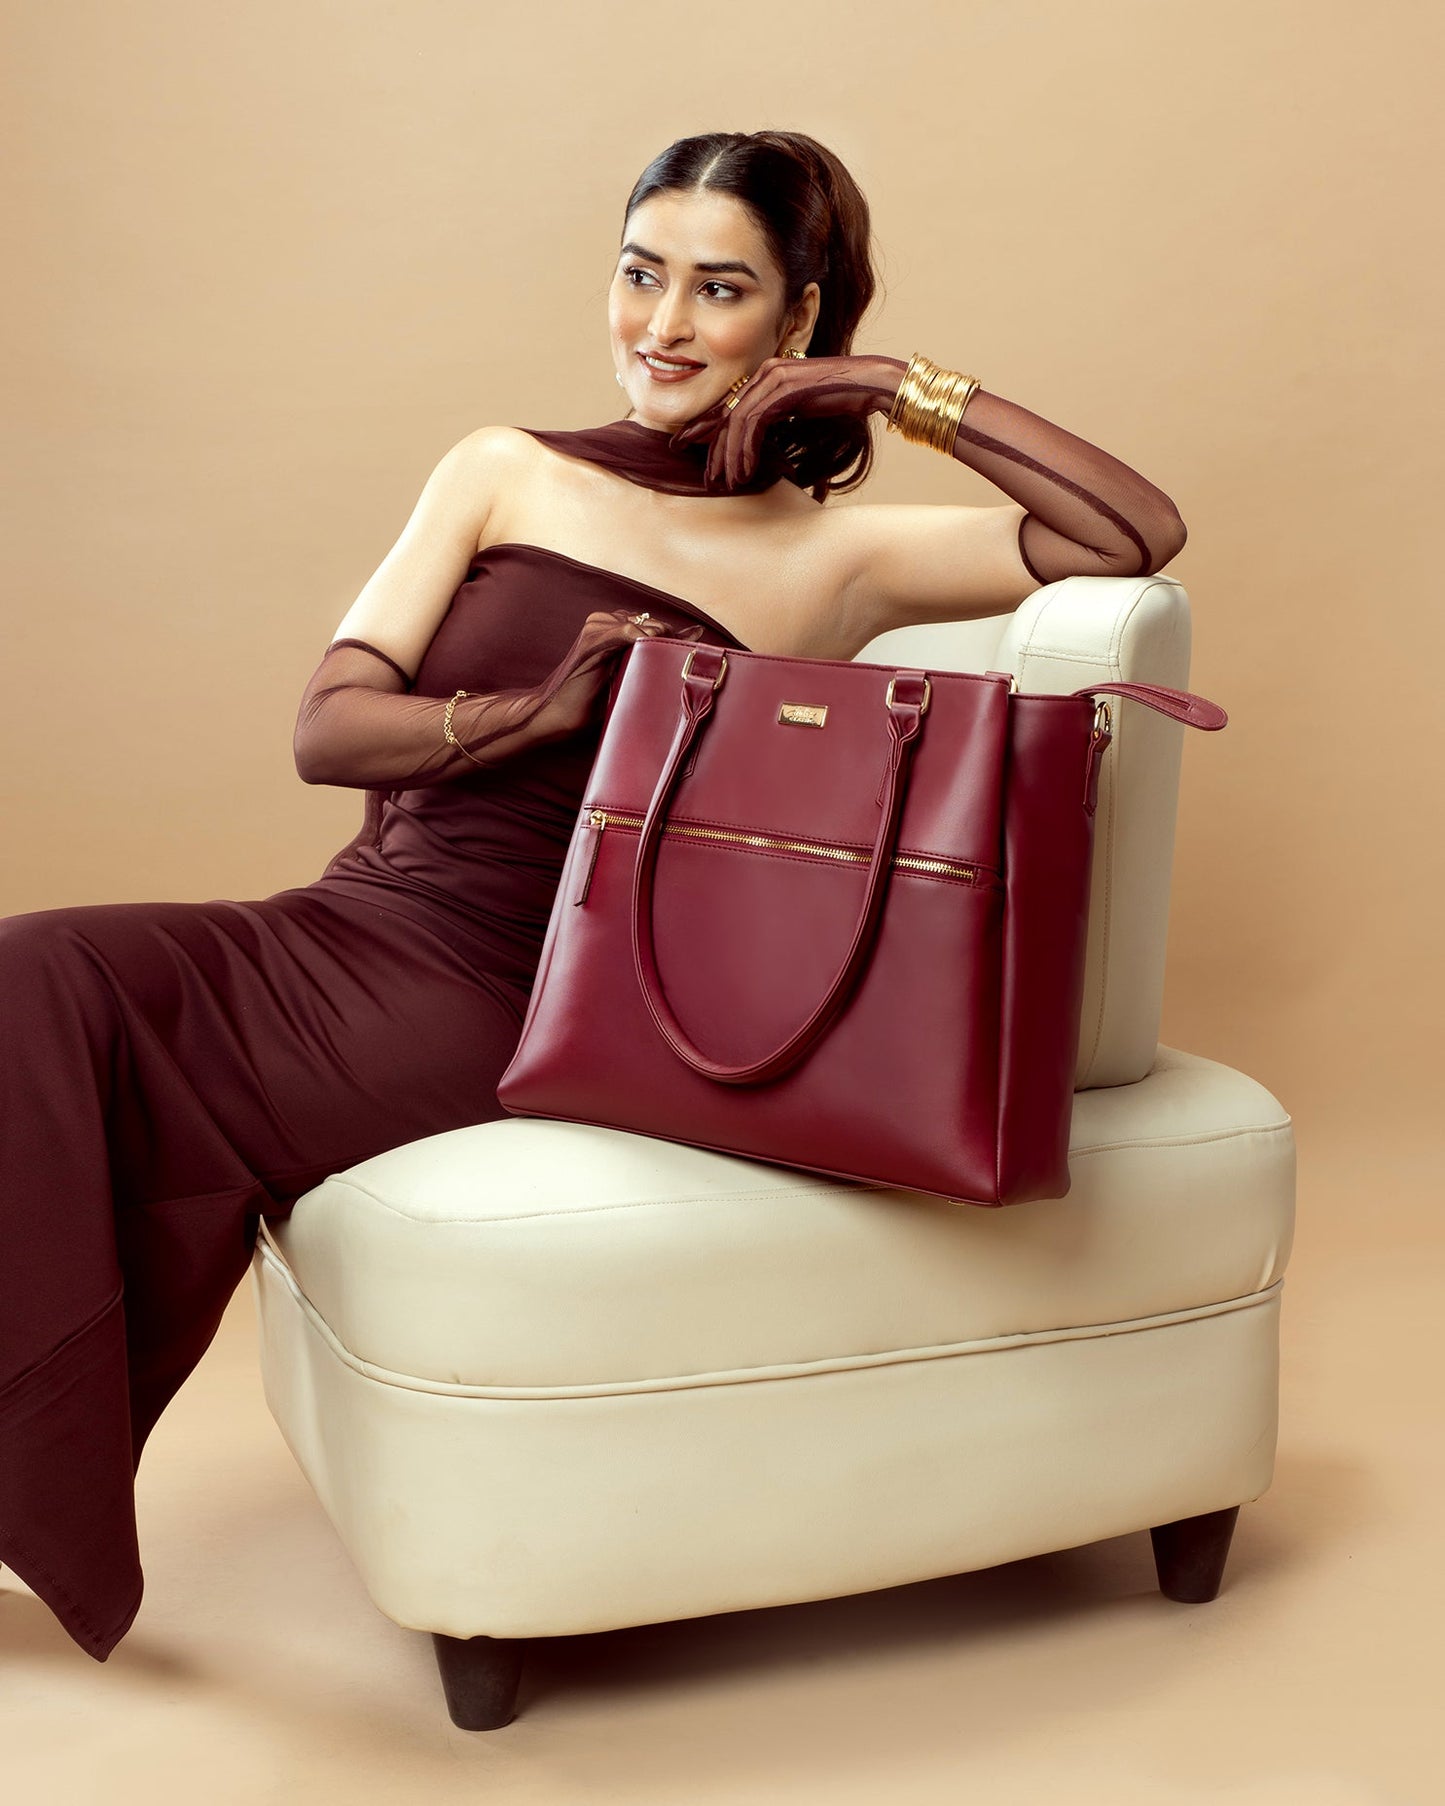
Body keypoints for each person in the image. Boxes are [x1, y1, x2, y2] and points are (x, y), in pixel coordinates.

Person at [0, 127, 1187, 1665]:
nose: (664, 327)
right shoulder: (500, 467)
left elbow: (1130, 534)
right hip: (345, 925)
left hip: (526, 991)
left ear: (795, 317)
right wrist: (525, 719)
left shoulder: (835, 562)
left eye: (720, 290)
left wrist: (896, 387)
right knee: (32, 977)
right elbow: (326, 724)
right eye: (640, 276)